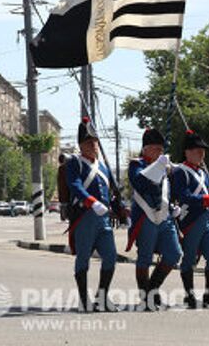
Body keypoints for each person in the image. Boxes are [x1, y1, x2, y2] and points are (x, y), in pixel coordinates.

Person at [126, 128, 182, 310]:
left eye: (161, 149)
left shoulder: (163, 167)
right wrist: (158, 166)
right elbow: (140, 184)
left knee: (174, 254)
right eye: (156, 148)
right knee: (144, 259)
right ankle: (146, 297)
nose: (160, 152)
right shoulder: (137, 164)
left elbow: (165, 192)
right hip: (145, 217)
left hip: (165, 218)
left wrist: (173, 207)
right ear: (146, 149)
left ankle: (153, 289)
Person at [66, 118, 118, 312]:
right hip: (85, 216)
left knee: (111, 257)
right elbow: (75, 185)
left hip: (103, 218)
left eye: (95, 142)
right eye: (89, 142)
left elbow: (111, 192)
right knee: (83, 259)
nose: (93, 145)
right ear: (81, 145)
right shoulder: (75, 164)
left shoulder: (104, 167)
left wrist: (121, 210)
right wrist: (91, 202)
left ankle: (102, 296)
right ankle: (83, 299)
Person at [171, 129, 209, 309]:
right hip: (190, 221)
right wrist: (208, 200)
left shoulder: (204, 173)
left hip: (207, 220)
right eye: (197, 150)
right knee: (188, 260)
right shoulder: (181, 172)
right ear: (187, 152)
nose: (201, 153)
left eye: (202, 150)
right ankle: (189, 296)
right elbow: (183, 195)